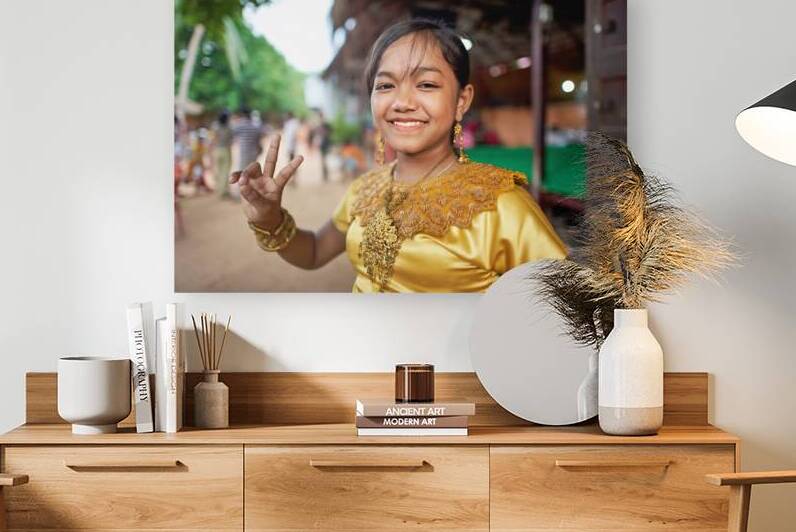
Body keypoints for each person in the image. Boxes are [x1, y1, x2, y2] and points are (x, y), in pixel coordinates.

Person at [230, 19, 565, 293]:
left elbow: (568, 315)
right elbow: (315, 251)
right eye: (386, 86)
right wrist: (270, 219)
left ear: (461, 101)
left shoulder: (501, 205)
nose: (402, 102)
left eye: (426, 85)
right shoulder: (365, 189)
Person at [211, 111, 233, 198]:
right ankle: (223, 191)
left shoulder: (215, 127)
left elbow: (213, 139)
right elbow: (231, 140)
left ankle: (220, 189)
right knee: (225, 171)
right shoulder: (229, 128)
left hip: (217, 150)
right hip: (226, 150)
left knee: (219, 170)